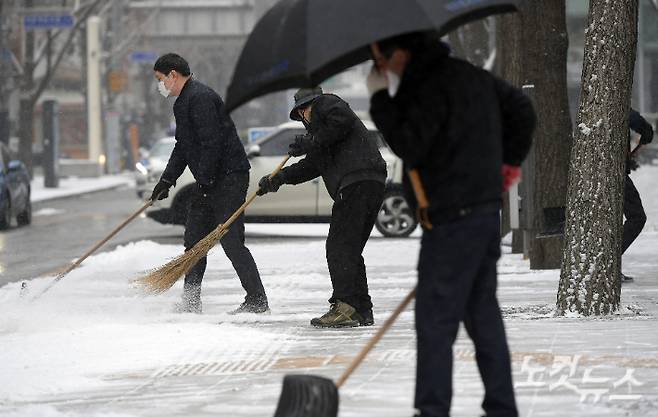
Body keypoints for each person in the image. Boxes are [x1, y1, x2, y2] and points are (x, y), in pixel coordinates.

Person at [366, 33, 536, 417]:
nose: (380, 68)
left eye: (381, 60)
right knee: (482, 316)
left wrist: (380, 100)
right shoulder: (471, 76)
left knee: (434, 323)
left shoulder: (426, 87)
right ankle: (502, 407)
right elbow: (521, 109)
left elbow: (411, 145)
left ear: (403, 54)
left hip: (450, 220)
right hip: (481, 213)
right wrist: (508, 163)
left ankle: (432, 409)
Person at [257, 87, 387, 328]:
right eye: (301, 113)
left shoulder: (327, 103)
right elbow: (310, 167)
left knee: (338, 247)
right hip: (368, 182)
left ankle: (345, 306)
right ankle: (361, 309)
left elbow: (342, 119)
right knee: (349, 249)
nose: (305, 115)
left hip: (357, 181)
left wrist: (310, 141)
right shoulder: (325, 139)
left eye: (304, 109)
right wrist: (278, 179)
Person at [151, 53, 268, 314]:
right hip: (210, 180)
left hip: (229, 177)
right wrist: (166, 180)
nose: (159, 85)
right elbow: (183, 147)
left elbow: (211, 143)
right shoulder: (183, 102)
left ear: (173, 74)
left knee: (231, 240)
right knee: (194, 241)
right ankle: (191, 302)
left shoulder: (201, 98)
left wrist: (206, 178)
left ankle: (257, 300)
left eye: (160, 79)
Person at [621, 109, 654, 282]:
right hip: (615, 175)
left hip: (595, 174)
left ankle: (606, 262)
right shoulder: (617, 103)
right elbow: (635, 120)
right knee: (637, 217)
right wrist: (647, 131)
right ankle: (609, 261)